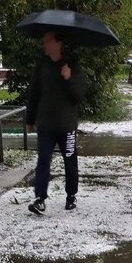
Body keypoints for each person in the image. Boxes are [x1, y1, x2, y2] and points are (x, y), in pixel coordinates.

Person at [25, 30, 86, 214]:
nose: (44, 44)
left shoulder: (72, 65)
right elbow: (34, 92)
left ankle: (71, 195)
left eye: (47, 41)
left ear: (57, 43)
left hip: (66, 125)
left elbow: (79, 96)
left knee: (70, 161)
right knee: (43, 160)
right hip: (46, 124)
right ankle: (40, 198)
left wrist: (69, 78)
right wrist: (30, 118)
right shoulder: (42, 65)